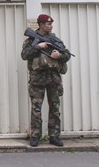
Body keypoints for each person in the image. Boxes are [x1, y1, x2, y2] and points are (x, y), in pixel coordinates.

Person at [21, 14, 71, 147]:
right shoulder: (31, 40)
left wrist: (58, 55)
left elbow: (66, 54)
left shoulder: (55, 40)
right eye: (48, 24)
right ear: (41, 25)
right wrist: (38, 46)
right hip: (37, 80)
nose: (51, 26)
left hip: (54, 80)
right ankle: (35, 136)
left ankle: (54, 137)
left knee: (55, 108)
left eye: (51, 24)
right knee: (36, 109)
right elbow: (24, 55)